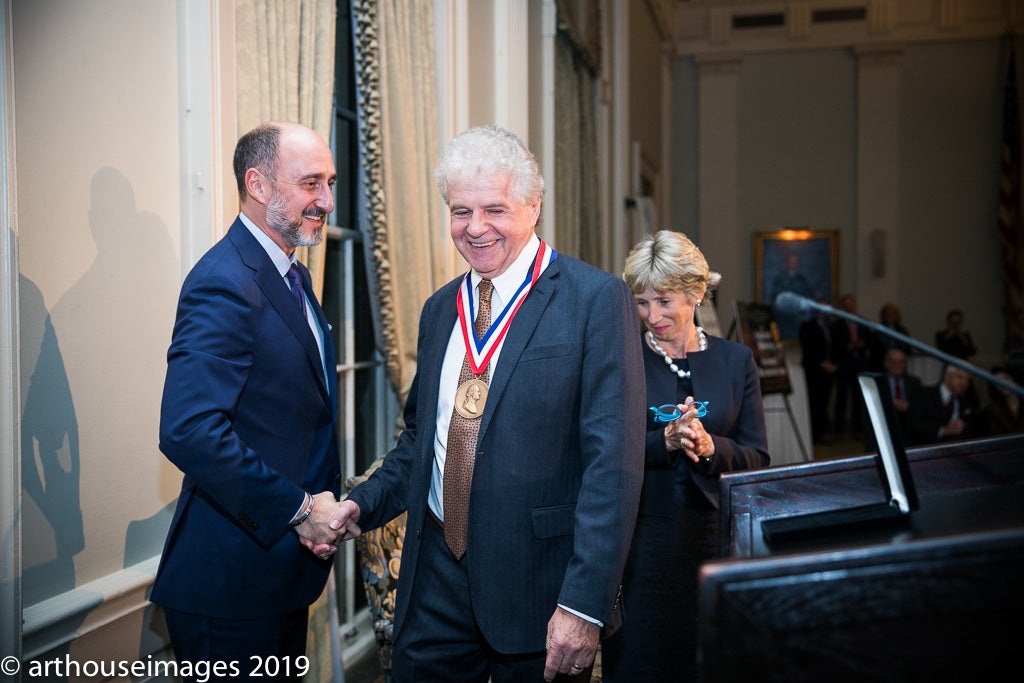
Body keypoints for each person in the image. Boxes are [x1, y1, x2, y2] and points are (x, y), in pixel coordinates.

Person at [328, 125, 645, 682]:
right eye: (460, 211)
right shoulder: (436, 312)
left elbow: (613, 467)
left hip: (540, 588)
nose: (475, 229)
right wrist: (363, 504)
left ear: (534, 206)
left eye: (494, 209)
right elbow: (419, 442)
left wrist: (584, 603)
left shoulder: (595, 300)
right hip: (433, 584)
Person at [151, 122, 348, 676]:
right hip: (229, 585)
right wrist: (300, 510)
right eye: (311, 183)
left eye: (329, 183)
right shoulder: (223, 280)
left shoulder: (292, 276)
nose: (327, 201)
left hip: (278, 573)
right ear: (257, 184)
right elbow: (189, 430)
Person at [601, 230, 770, 683]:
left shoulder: (737, 362)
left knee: (712, 663)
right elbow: (602, 453)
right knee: (643, 663)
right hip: (642, 546)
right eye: (641, 302)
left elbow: (758, 458)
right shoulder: (621, 359)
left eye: (664, 301)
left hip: (718, 542)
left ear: (696, 294)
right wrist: (665, 442)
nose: (651, 316)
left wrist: (714, 448)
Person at [906, 365, 981, 446]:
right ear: (947, 377)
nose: (965, 383)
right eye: (960, 377)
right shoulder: (923, 394)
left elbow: (973, 429)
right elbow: (912, 425)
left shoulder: (966, 402)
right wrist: (943, 430)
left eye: (968, 380)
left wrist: (962, 426)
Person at [830, 293, 870, 438]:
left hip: (859, 366)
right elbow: (835, 346)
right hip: (843, 367)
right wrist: (849, 345)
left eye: (851, 306)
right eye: (846, 306)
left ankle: (857, 429)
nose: (849, 309)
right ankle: (839, 430)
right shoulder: (836, 326)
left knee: (858, 399)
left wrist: (862, 344)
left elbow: (870, 341)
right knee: (841, 399)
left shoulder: (863, 322)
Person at [865, 348, 921, 450]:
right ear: (886, 363)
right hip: (882, 425)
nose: (898, 365)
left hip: (907, 427)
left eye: (902, 362)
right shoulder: (875, 382)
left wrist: (909, 408)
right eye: (894, 362)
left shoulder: (915, 382)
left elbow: (921, 410)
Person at [798, 300, 838, 444]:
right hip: (814, 372)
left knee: (825, 403)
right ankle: (815, 435)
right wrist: (822, 364)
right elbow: (809, 349)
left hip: (829, 372)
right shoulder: (807, 326)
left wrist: (834, 365)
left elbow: (835, 347)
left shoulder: (831, 327)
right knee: (815, 404)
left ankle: (823, 433)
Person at [868, 302, 913, 371]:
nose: (890, 316)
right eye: (888, 314)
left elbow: (908, 348)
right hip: (882, 365)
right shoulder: (878, 331)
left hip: (900, 365)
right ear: (884, 316)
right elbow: (874, 351)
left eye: (892, 314)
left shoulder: (902, 331)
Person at [982, 367, 1024, 436]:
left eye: (1006, 378)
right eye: (997, 381)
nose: (1003, 383)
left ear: (1013, 379)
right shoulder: (993, 410)